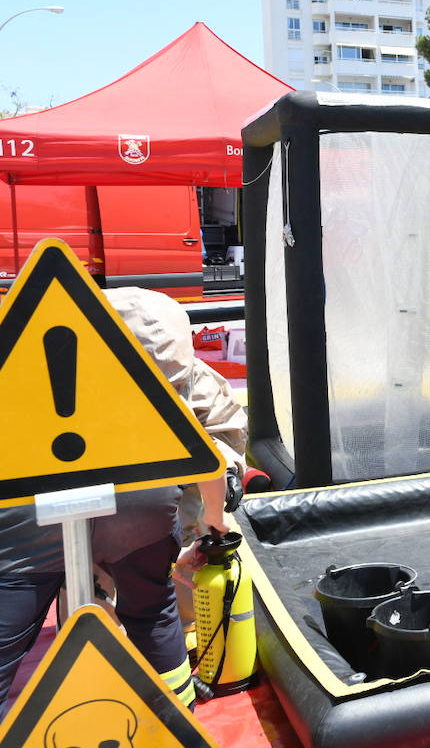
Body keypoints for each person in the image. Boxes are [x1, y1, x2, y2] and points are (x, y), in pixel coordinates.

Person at [0, 288, 247, 713]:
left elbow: (217, 447)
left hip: (64, 516)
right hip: (75, 513)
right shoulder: (39, 369)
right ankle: (172, 718)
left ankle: (175, 724)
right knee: (145, 606)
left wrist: (214, 505)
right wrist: (212, 512)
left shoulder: (191, 378)